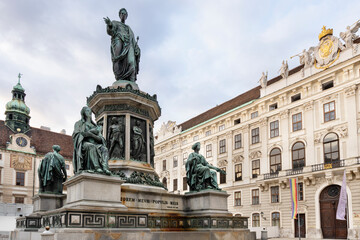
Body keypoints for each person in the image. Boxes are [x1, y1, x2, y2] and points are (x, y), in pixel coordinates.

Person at [104, 8, 141, 82]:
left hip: (129, 45)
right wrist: (110, 24)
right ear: (119, 15)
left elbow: (133, 40)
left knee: (132, 62)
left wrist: (137, 48)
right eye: (122, 13)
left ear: (126, 16)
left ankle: (132, 82)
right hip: (119, 41)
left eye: (124, 14)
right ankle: (119, 78)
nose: (123, 15)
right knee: (117, 60)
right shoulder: (115, 23)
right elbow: (111, 32)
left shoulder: (128, 28)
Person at [72, 106, 111, 175]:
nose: (89, 112)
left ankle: (105, 167)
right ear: (83, 113)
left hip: (96, 144)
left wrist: (91, 135)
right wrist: (90, 132)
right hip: (84, 144)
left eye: (90, 111)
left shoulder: (95, 126)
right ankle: (97, 167)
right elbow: (77, 135)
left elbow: (100, 139)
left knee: (104, 149)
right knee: (91, 146)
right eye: (87, 111)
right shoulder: (79, 124)